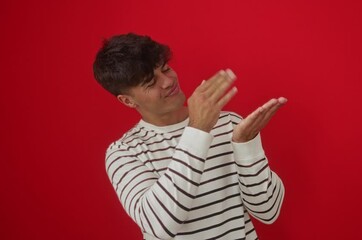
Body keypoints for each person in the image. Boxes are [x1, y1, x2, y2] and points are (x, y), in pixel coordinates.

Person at [93, 33, 286, 240]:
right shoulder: (124, 152)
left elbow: (268, 211)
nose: (168, 81)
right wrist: (198, 130)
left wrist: (247, 145)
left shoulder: (228, 123)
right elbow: (159, 225)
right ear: (128, 101)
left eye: (165, 68)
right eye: (151, 82)